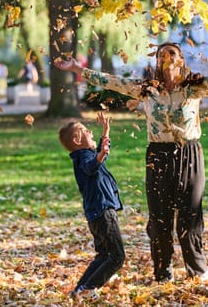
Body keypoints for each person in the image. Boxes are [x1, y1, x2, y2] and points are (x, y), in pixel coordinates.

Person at [54, 43, 208, 283]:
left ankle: (198, 271)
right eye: (161, 55)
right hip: (158, 157)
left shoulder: (195, 87)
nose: (165, 57)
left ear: (180, 60)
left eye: (171, 54)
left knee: (190, 218)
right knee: (160, 218)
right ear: (157, 61)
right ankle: (163, 272)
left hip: (189, 154)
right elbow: (111, 81)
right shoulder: (146, 90)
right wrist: (78, 69)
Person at [58, 112, 125, 301]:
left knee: (104, 255)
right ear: (77, 139)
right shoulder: (84, 159)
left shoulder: (83, 156)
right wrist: (101, 154)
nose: (90, 131)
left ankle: (79, 290)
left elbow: (96, 160)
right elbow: (91, 165)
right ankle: (88, 289)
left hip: (96, 214)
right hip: (103, 213)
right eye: (86, 131)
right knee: (117, 257)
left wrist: (106, 133)